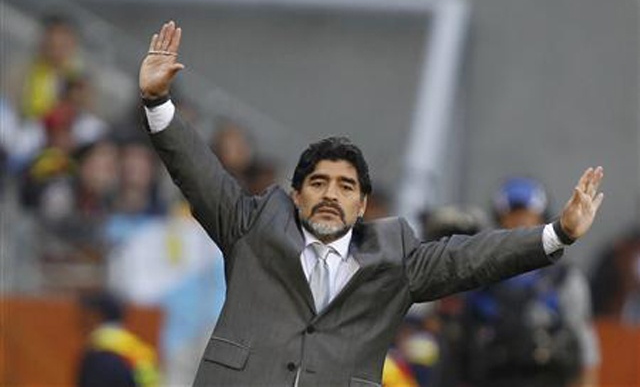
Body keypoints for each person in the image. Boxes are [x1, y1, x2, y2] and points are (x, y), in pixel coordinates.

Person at [138, 21, 604, 386]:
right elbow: (199, 173)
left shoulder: (393, 256)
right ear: (296, 194)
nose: (330, 194)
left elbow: (470, 258)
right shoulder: (253, 227)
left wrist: (557, 233)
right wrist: (158, 102)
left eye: (345, 187)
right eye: (318, 183)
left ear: (362, 206)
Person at [460, 177, 601, 387]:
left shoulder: (563, 278)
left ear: (542, 219)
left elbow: (583, 346)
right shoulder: (480, 275)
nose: (520, 222)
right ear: (499, 220)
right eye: (512, 215)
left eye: (527, 215)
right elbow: (462, 347)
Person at [77, 291, 160, 387]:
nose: (80, 322)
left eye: (84, 316)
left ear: (94, 315)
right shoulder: (140, 350)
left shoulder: (99, 352)